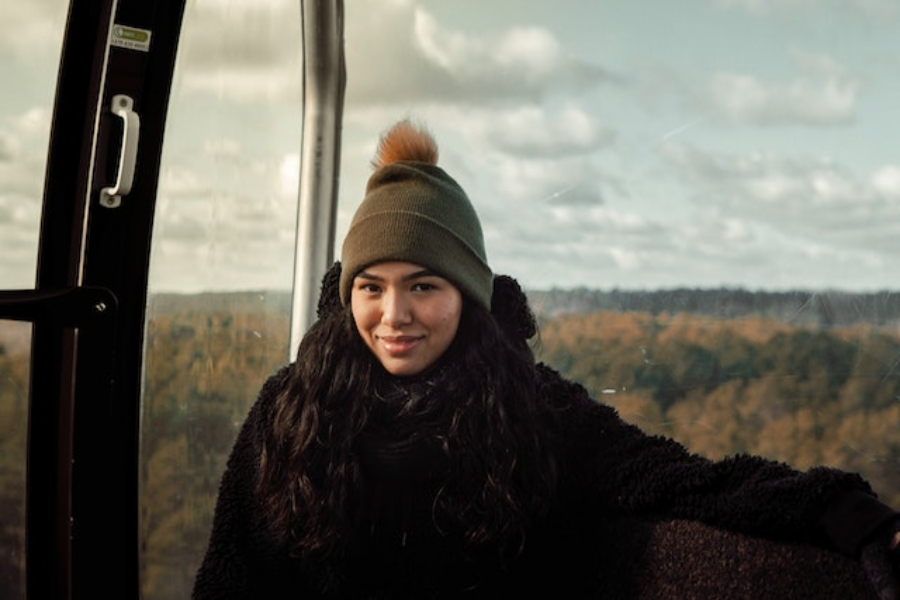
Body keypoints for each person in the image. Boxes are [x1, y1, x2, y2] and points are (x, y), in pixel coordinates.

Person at [193, 119, 900, 599]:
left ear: (468, 296)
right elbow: (230, 575)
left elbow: (684, 481)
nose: (394, 315)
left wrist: (842, 511)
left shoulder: (530, 407)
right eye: (371, 288)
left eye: (424, 286)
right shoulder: (290, 408)